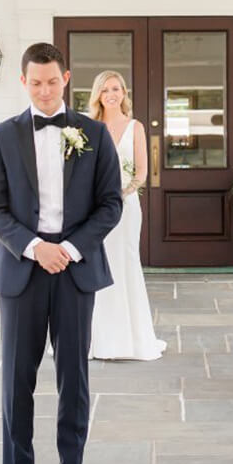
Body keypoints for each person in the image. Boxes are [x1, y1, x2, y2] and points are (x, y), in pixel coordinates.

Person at [0, 42, 122, 464]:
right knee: (17, 380)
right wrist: (35, 247)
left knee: (74, 379)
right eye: (35, 82)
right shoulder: (2, 137)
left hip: (75, 270)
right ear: (23, 82)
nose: (44, 90)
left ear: (67, 79)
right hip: (21, 270)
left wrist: (70, 249)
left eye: (52, 81)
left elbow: (110, 205)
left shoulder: (95, 134)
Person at [87, 70, 167, 362]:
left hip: (126, 206)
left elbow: (142, 172)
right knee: (96, 265)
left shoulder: (136, 127)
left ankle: (132, 338)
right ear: (98, 94)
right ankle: (96, 338)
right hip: (93, 209)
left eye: (117, 88)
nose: (111, 94)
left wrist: (121, 193)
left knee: (125, 263)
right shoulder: (89, 127)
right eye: (106, 89)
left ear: (124, 93)